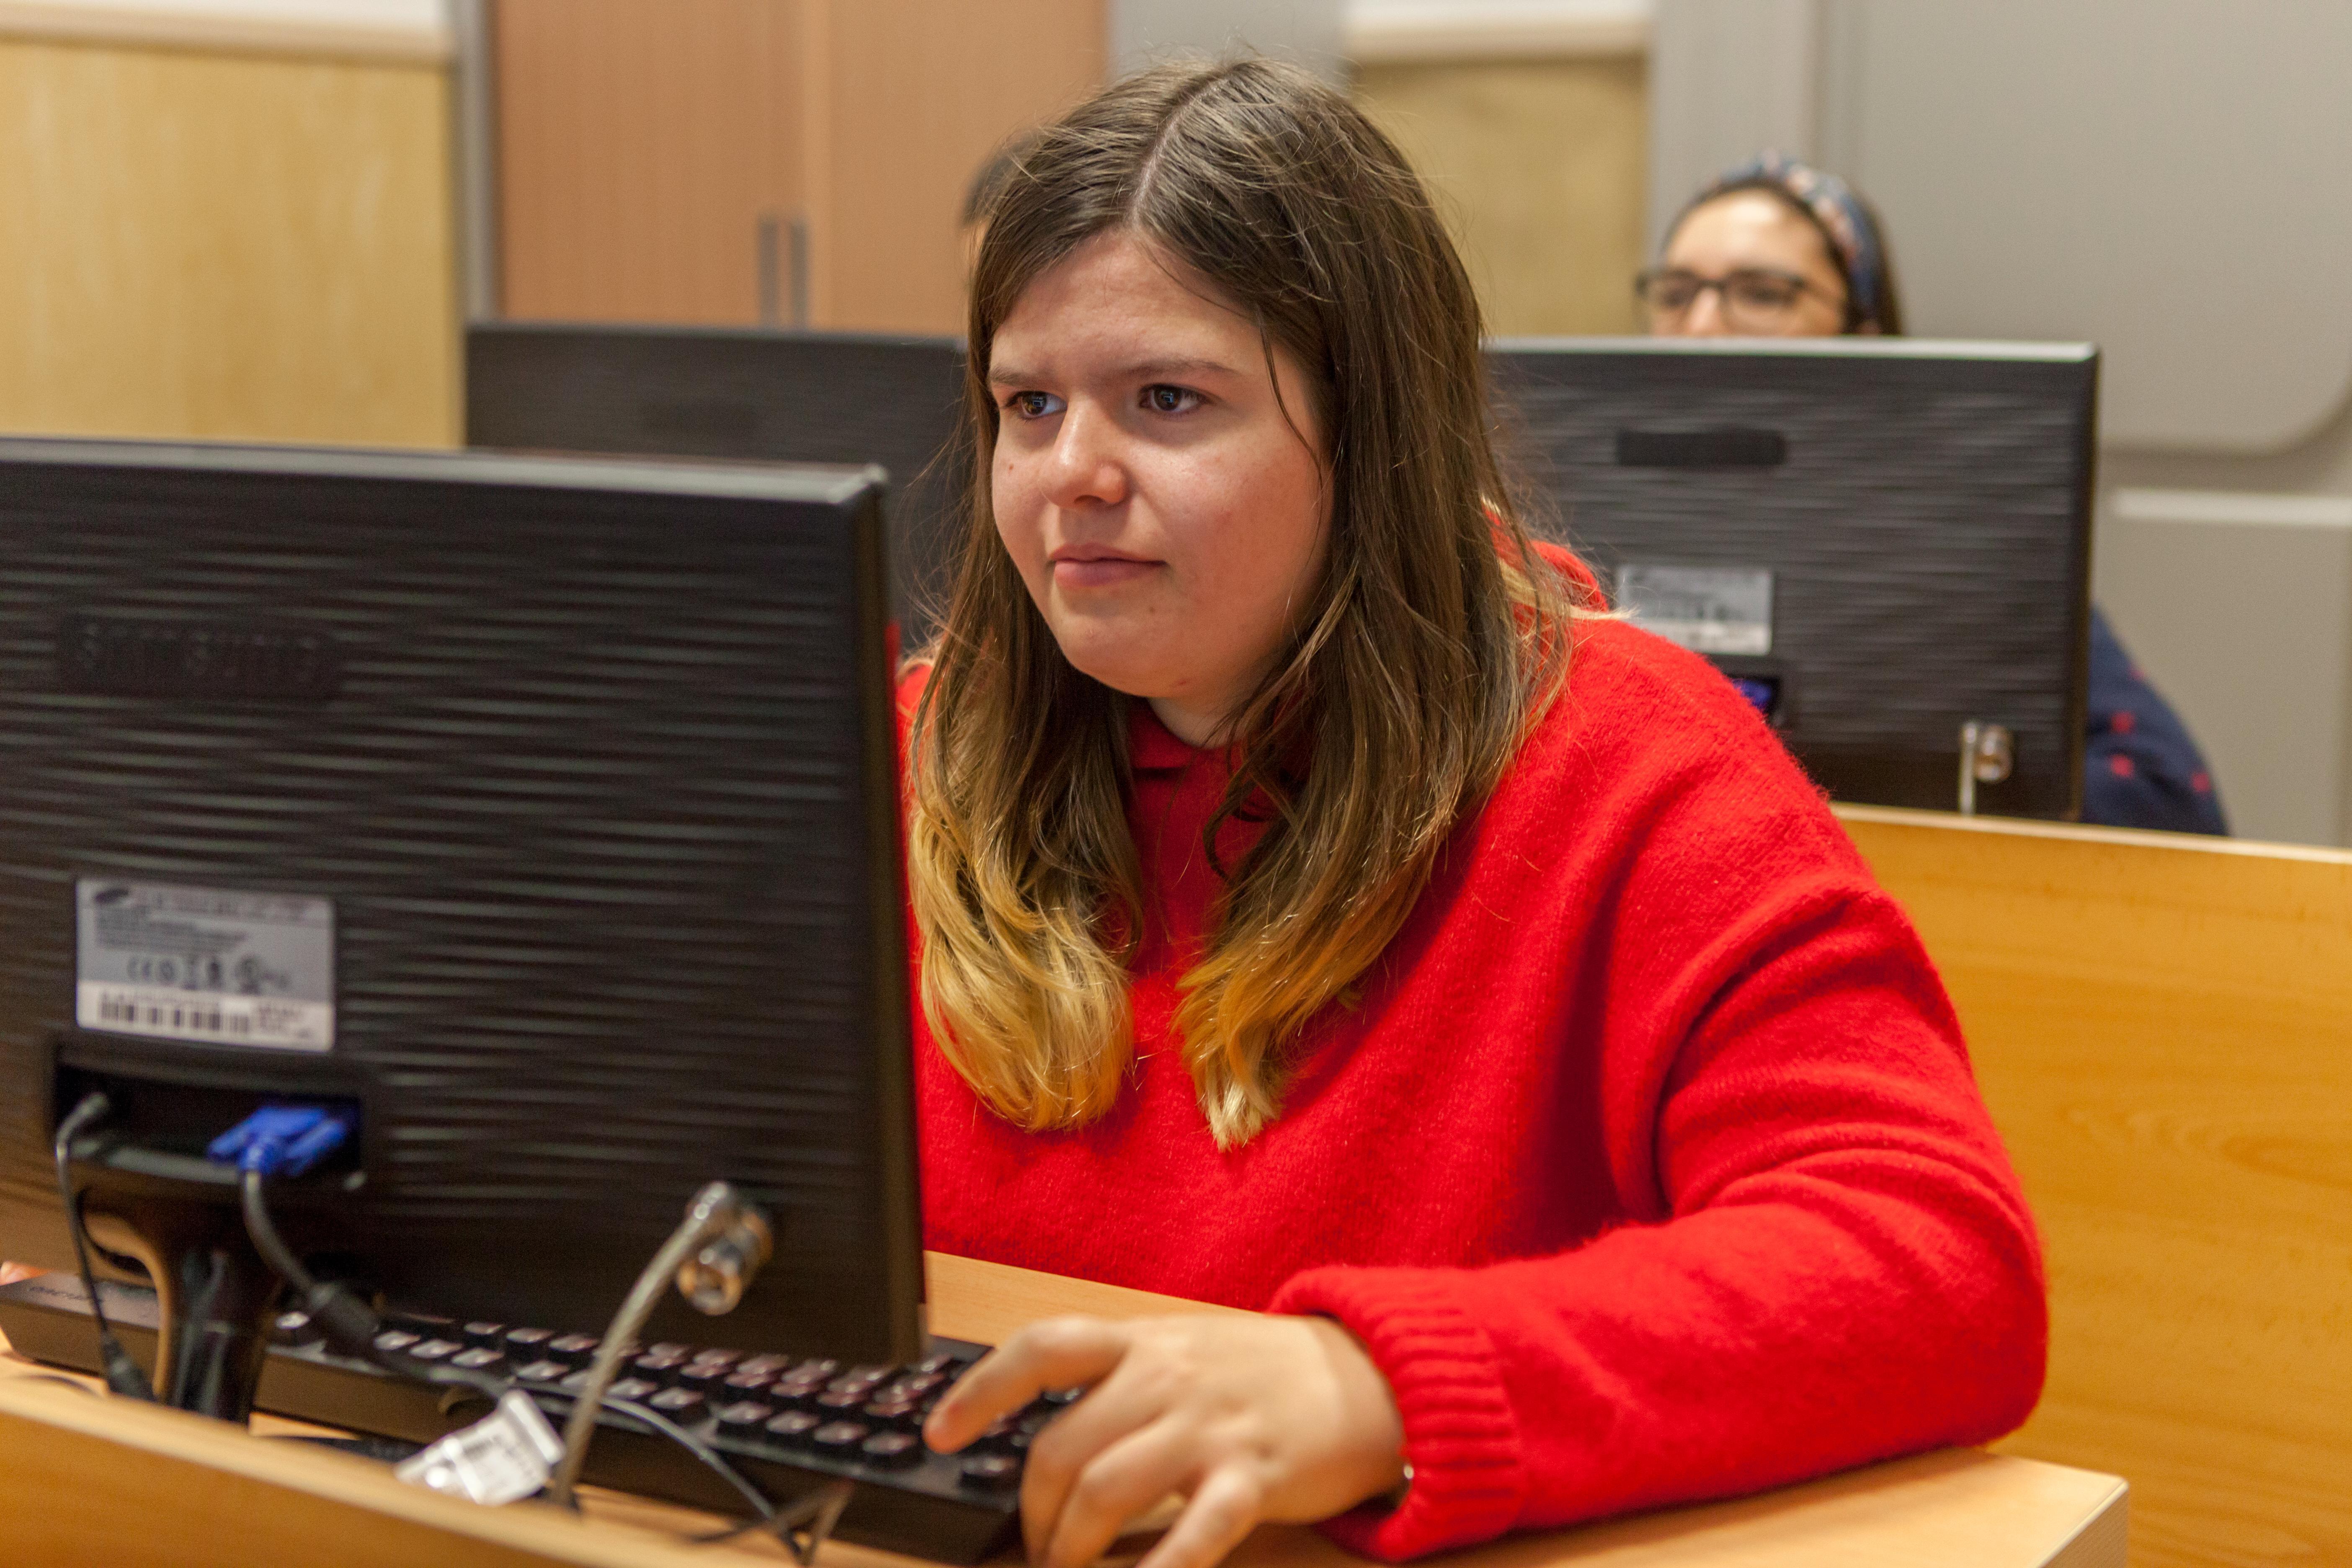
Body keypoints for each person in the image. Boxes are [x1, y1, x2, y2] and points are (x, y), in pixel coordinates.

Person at [905, 62, 2043, 1568]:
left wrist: (1376, 1381)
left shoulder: (1631, 759)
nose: (1070, 475)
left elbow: (1935, 1270)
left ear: (1372, 435)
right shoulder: (917, 739)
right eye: (1027, 405)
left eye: (1166, 400)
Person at [1643, 153, 2228, 836]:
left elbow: (2168, 797)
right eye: (1677, 293)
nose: (1703, 326)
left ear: (1861, 328)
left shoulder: (1967, 542)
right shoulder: (1572, 526)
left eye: (1763, 293)